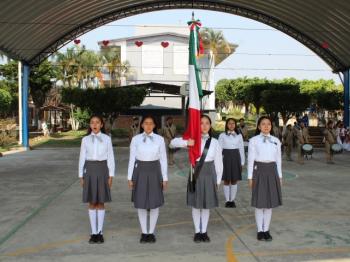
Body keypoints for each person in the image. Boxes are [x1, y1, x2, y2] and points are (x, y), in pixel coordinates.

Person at [170, 115, 223, 243]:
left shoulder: (215, 142)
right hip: (195, 173)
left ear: (210, 126)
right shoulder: (192, 139)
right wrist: (187, 142)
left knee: (206, 205)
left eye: (207, 123)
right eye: (201, 123)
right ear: (197, 125)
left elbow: (219, 163)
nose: (204, 126)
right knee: (195, 204)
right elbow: (172, 144)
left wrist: (218, 181)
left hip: (210, 173)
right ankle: (197, 232)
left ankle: (204, 231)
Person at [127, 115, 168, 243]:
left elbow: (163, 159)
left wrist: (165, 177)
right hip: (140, 172)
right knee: (141, 203)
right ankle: (144, 232)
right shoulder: (136, 139)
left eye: (151, 123)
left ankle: (151, 232)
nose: (148, 125)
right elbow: (132, 158)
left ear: (155, 125)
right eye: (146, 123)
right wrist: (130, 177)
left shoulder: (160, 139)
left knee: (154, 203)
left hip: (155, 171)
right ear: (142, 125)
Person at [78, 115, 115, 244]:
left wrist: (111, 175)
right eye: (92, 122)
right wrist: (81, 175)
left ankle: (100, 232)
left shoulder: (106, 139)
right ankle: (93, 232)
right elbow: (82, 157)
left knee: (101, 202)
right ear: (90, 125)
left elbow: (110, 157)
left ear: (101, 125)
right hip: (89, 170)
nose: (95, 125)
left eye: (97, 122)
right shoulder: (85, 140)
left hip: (102, 170)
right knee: (92, 202)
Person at [248, 116, 282, 241]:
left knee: (269, 204)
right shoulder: (254, 140)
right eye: (263, 124)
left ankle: (266, 229)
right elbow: (251, 159)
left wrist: (280, 176)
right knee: (259, 203)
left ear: (271, 126)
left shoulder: (276, 141)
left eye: (268, 124)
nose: (266, 126)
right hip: (259, 171)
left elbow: (278, 159)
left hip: (272, 171)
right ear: (259, 126)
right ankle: (260, 230)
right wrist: (250, 177)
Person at [218, 118, 245, 208]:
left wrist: (242, 162)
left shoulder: (239, 136)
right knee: (226, 180)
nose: (231, 125)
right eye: (229, 123)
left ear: (235, 125)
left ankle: (232, 200)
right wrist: (219, 161)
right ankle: (227, 200)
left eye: (233, 123)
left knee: (234, 180)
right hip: (225, 158)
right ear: (226, 125)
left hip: (236, 158)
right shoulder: (222, 135)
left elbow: (241, 149)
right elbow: (219, 149)